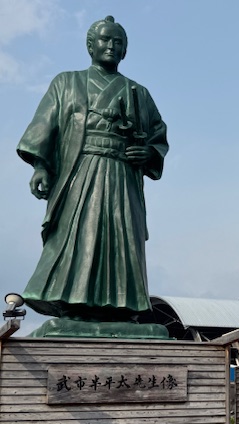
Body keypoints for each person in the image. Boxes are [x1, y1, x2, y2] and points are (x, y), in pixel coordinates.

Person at [17, 16, 168, 323]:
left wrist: (149, 153)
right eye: (105, 40)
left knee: (121, 237)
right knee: (76, 235)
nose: (111, 46)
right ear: (90, 46)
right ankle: (71, 302)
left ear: (125, 50)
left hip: (122, 176)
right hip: (80, 171)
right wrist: (40, 166)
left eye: (118, 42)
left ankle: (122, 306)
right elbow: (44, 126)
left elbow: (157, 135)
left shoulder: (138, 92)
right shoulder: (66, 82)